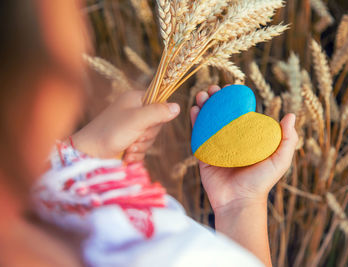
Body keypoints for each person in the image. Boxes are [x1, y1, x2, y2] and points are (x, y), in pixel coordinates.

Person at [0, 0, 298, 266]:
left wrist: (85, 152)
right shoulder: (167, 255)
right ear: (42, 96)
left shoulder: (35, 201)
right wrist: (242, 205)